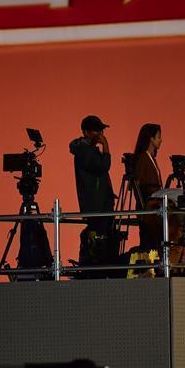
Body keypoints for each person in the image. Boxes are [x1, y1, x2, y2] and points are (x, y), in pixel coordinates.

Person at [69, 115, 117, 272]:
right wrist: (106, 146)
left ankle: (99, 265)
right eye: (97, 130)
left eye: (101, 130)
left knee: (103, 236)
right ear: (86, 132)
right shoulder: (85, 151)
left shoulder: (87, 150)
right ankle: (96, 267)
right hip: (97, 206)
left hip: (99, 204)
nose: (101, 134)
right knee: (99, 237)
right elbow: (104, 165)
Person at [133, 123, 164, 252]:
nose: (160, 140)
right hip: (149, 208)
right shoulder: (143, 158)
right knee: (149, 245)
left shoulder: (150, 158)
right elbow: (139, 184)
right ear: (151, 138)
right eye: (158, 137)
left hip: (154, 208)